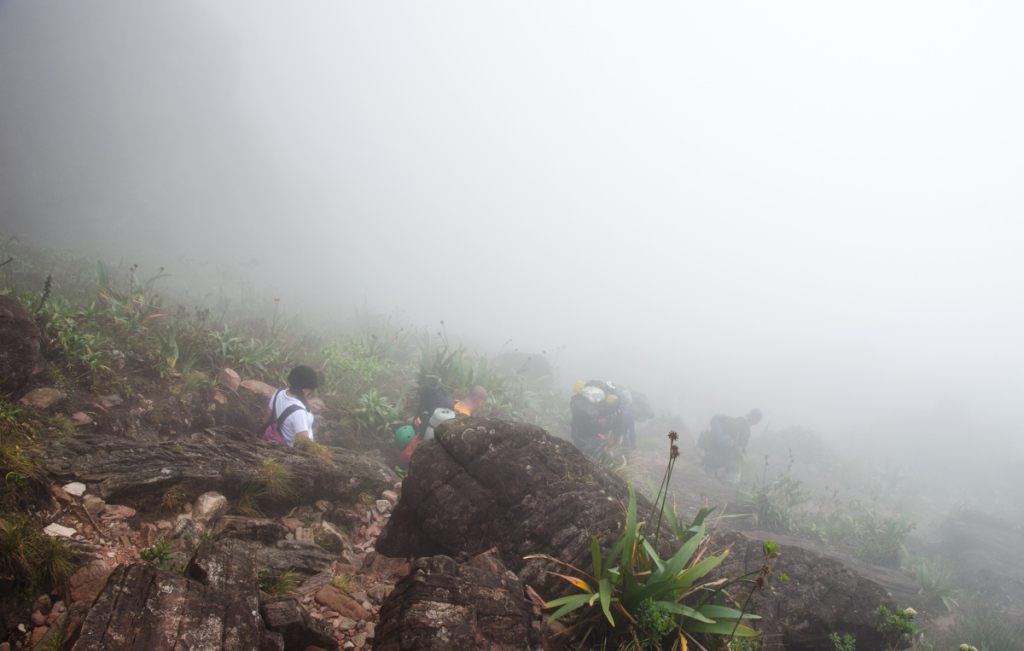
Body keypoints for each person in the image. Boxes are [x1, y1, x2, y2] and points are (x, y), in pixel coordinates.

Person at [698, 409, 763, 484]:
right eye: (759, 420)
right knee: (731, 457)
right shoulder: (745, 430)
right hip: (723, 447)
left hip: (717, 444)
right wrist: (743, 458)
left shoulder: (740, 420)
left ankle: (707, 469)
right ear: (756, 419)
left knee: (722, 455)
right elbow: (739, 448)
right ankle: (708, 472)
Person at [262, 365, 318, 447]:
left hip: (277, 439)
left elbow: (265, 420)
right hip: (290, 449)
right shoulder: (298, 412)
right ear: (304, 389)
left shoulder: (278, 393)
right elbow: (305, 445)